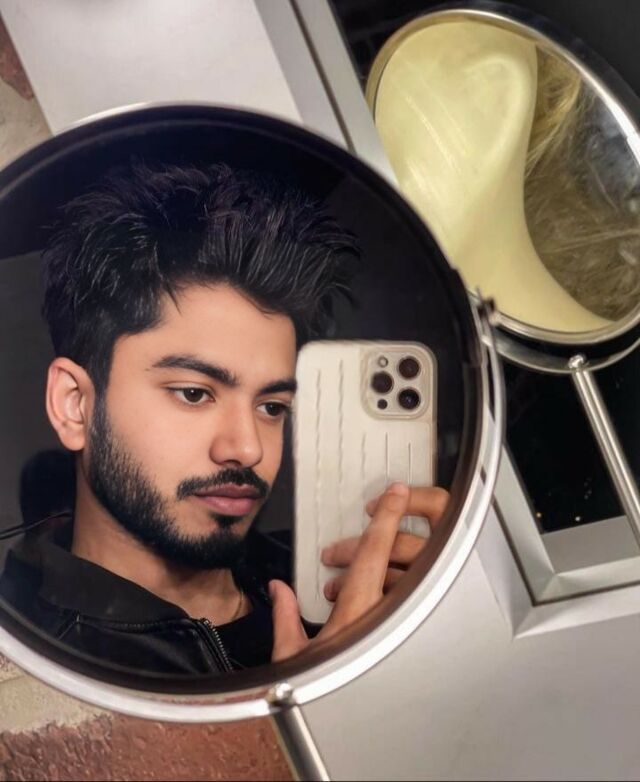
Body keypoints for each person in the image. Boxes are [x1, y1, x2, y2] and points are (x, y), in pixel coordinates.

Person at [0, 161, 448, 675]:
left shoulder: (332, 587)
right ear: (74, 405)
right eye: (194, 393)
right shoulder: (45, 678)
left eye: (272, 406)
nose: (248, 448)